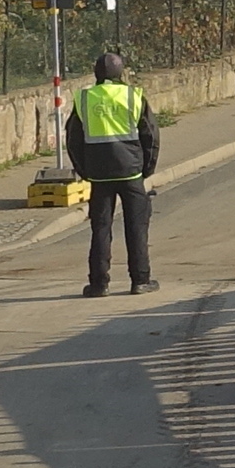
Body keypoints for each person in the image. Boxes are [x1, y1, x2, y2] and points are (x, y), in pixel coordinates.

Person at [68, 52, 161, 297]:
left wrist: (84, 170)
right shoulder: (133, 96)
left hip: (99, 174)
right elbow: (150, 135)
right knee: (137, 227)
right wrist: (146, 168)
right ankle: (140, 280)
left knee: (100, 228)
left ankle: (99, 284)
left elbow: (73, 139)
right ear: (121, 72)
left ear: (96, 73)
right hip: (131, 172)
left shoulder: (85, 98)